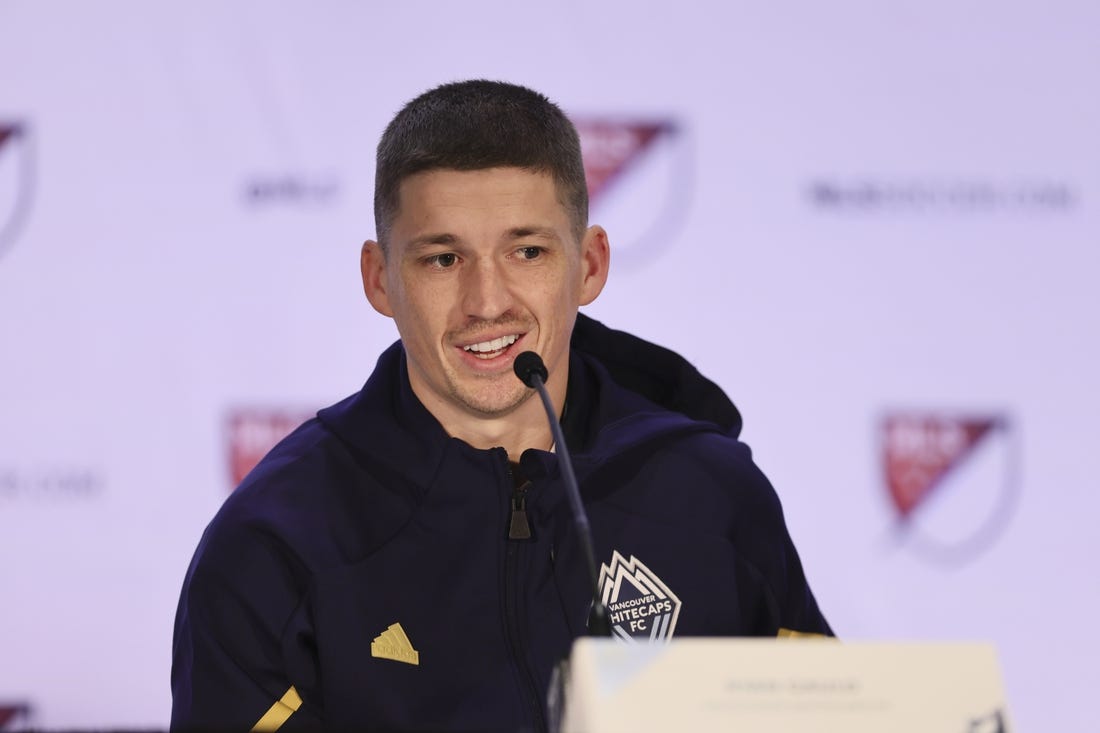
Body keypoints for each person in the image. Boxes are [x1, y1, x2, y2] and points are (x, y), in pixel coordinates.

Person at [170, 79, 831, 732]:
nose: (487, 301)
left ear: (590, 265)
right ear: (380, 279)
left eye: (528, 252)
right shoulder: (274, 543)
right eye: (443, 258)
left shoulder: (710, 493)